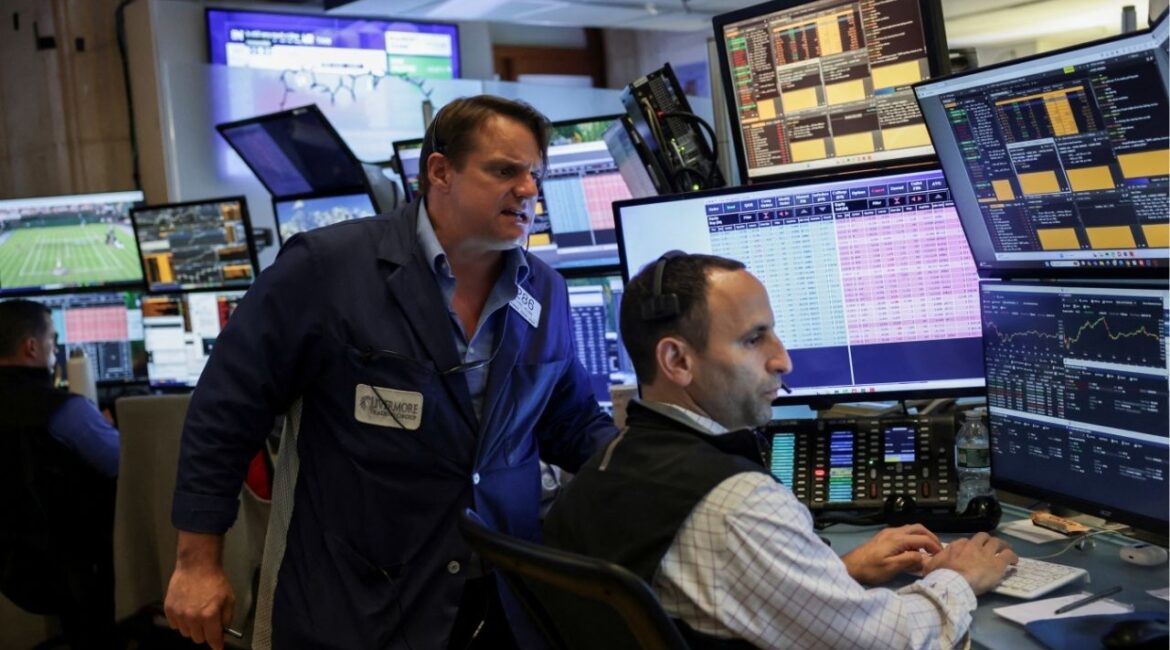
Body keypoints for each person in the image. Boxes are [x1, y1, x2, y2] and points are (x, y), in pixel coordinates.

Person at [164, 95, 618, 650]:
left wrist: (661, 471)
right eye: (505, 171)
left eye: (535, 176)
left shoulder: (543, 288)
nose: (528, 190)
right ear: (440, 171)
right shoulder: (326, 268)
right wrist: (196, 562)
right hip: (362, 601)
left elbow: (568, 420)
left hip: (502, 594)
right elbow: (225, 409)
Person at [543, 253, 1018, 649]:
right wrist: (960, 576)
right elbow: (888, 641)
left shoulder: (609, 465)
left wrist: (835, 574)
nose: (783, 359)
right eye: (753, 339)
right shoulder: (737, 503)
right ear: (678, 361)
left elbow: (703, 591)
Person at [0, 299, 120, 648]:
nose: (55, 351)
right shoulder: (66, 412)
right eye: (53, 341)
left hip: (10, 567)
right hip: (73, 573)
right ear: (32, 347)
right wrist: (104, 428)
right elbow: (125, 466)